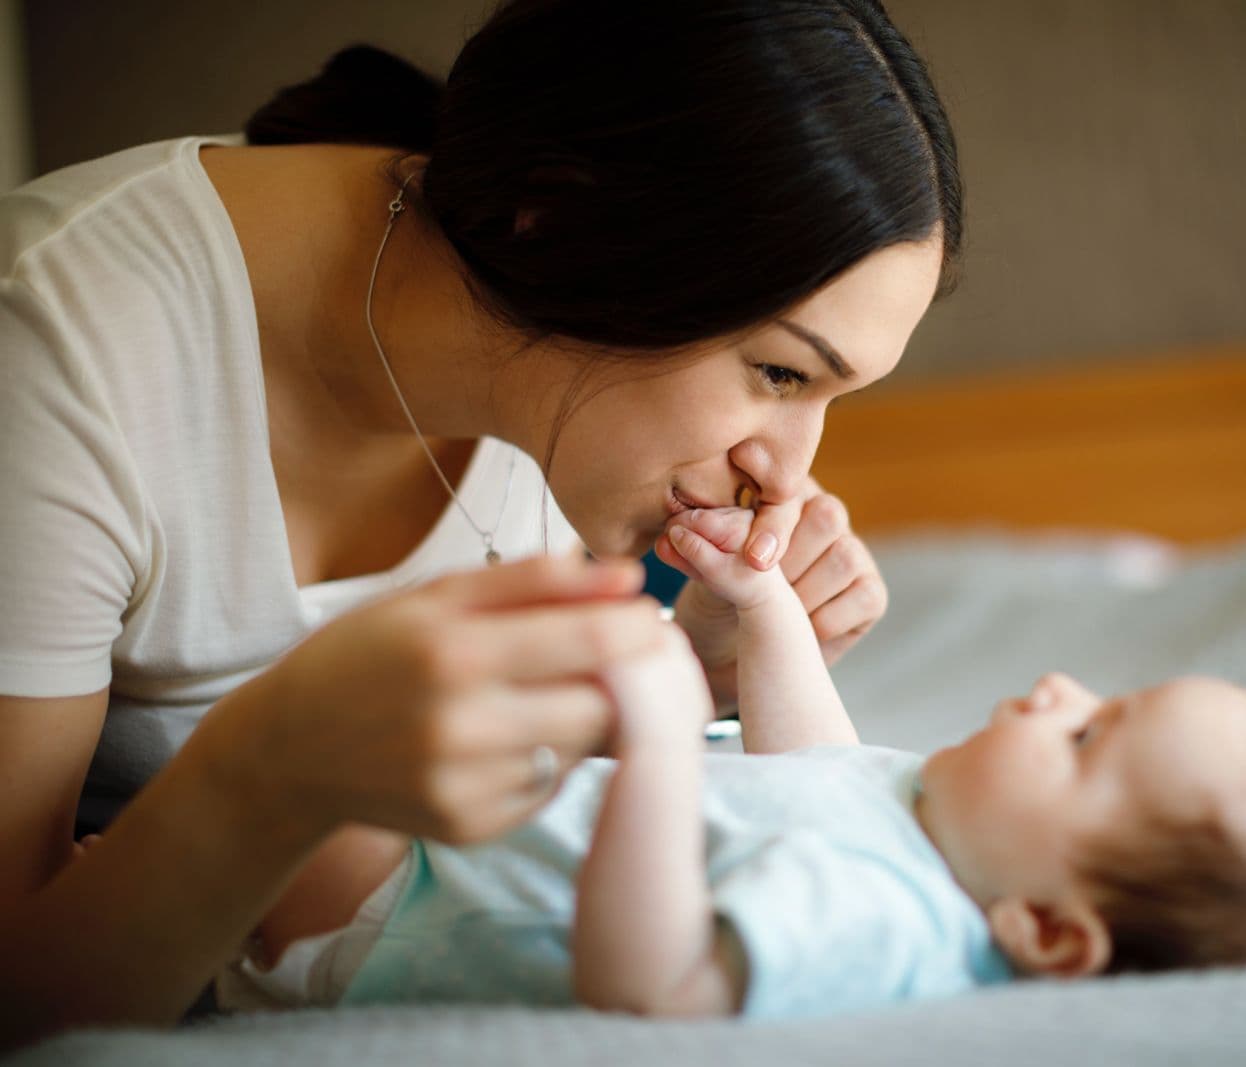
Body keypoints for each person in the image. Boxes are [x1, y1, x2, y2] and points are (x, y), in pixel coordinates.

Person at [0, 0, 962, 1047]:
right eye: (779, 371)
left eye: (831, 395)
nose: (786, 472)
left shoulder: (539, 363)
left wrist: (699, 670)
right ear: (566, 218)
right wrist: (269, 765)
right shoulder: (53, 362)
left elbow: (472, 813)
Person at [208, 504, 1246, 1016]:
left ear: (1049, 931)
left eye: (1085, 739)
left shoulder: (882, 922)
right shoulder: (925, 829)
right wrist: (762, 605)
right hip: (465, 834)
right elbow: (813, 761)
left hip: (400, 901)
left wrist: (666, 736)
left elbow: (651, 984)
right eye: (1100, 698)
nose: (1061, 690)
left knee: (295, 750)